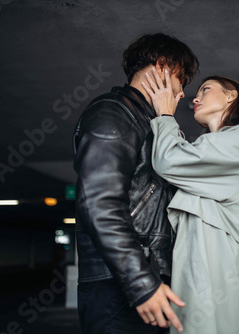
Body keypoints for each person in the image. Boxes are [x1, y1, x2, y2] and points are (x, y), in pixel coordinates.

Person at [72, 33, 199, 334]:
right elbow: (99, 203)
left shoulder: (146, 123)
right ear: (162, 68)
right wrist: (141, 284)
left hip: (140, 277)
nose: (182, 95)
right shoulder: (114, 112)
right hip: (120, 286)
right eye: (182, 82)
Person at [142, 72, 239, 333]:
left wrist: (165, 115)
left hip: (218, 258)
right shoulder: (208, 146)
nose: (195, 98)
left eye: (205, 89)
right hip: (195, 258)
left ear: (231, 96)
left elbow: (169, 161)